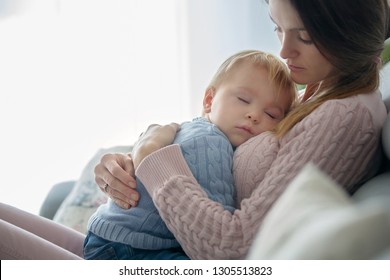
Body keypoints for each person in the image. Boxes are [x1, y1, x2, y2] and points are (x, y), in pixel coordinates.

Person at [0, 0, 389, 260]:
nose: (285, 53)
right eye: (277, 29)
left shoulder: (344, 118)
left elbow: (235, 248)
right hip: (142, 236)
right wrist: (144, 144)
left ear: (349, 34)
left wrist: (152, 155)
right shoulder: (321, 88)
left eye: (304, 36)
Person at [83, 50, 297, 260]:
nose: (254, 115)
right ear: (209, 100)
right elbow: (213, 225)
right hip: (130, 247)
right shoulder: (211, 141)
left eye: (271, 114)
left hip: (110, 236)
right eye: (243, 99)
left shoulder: (192, 130)